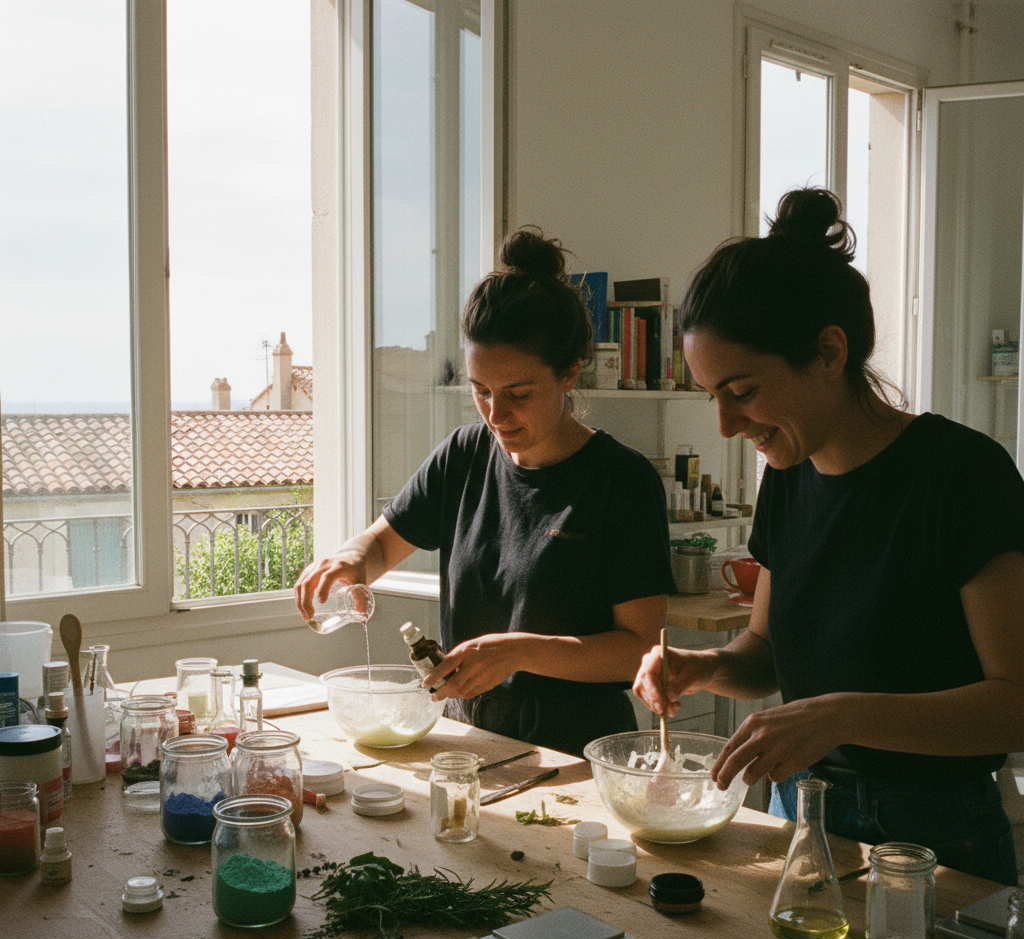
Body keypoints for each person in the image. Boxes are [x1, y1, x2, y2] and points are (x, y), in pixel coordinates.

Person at [633, 188, 1024, 884]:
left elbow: (1014, 704)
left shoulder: (960, 474)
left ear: (829, 352)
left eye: (742, 390)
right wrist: (707, 666)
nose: (724, 425)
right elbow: (768, 653)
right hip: (802, 813)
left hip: (935, 836)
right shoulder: (789, 476)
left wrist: (840, 717)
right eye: (710, 396)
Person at [296, 226, 675, 757]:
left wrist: (518, 652)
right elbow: (383, 544)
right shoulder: (464, 456)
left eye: (519, 394)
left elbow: (638, 650)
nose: (497, 415)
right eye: (481, 391)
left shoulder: (621, 481)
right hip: (468, 738)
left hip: (576, 752)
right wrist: (350, 560)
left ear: (569, 373)